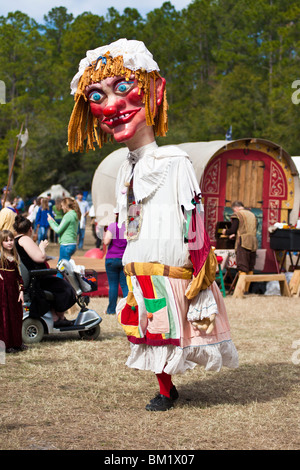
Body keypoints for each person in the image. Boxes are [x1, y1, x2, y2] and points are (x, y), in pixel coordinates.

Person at [68, 38, 238, 411]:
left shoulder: (175, 161)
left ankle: (166, 389)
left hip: (168, 257)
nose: (111, 106)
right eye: (97, 97)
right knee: (150, 326)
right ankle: (165, 387)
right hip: (138, 257)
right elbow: (127, 218)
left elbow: (192, 214)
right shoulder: (123, 166)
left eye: (123, 89)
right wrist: (124, 244)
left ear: (155, 91)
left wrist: (200, 265)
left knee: (170, 324)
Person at [13, 215, 76, 326]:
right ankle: (59, 318)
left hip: (34, 276)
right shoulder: (25, 239)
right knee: (64, 287)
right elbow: (40, 258)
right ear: (30, 229)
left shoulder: (16, 240)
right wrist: (42, 247)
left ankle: (56, 316)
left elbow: (31, 257)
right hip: (37, 279)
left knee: (57, 285)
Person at [0, 230, 26, 353]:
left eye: (11, 240)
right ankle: (7, 344)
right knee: (5, 316)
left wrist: (21, 290)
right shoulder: (0, 256)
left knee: (16, 315)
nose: (10, 243)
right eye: (6, 240)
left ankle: (17, 342)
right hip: (3, 291)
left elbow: (19, 276)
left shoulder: (15, 256)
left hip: (14, 292)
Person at [222, 200, 258, 275]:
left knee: (243, 267)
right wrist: (236, 234)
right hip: (253, 243)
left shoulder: (238, 214)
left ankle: (242, 287)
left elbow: (233, 230)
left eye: (233, 210)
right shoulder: (252, 215)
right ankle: (247, 287)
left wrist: (225, 232)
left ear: (236, 208)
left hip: (243, 242)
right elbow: (250, 228)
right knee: (250, 267)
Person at [47, 197, 81, 275]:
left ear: (66, 206)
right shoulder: (74, 214)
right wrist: (53, 221)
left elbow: (58, 230)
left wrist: (50, 222)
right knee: (64, 267)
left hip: (66, 244)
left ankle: (59, 285)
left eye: (62, 206)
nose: (62, 208)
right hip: (71, 243)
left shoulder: (68, 216)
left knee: (61, 268)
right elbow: (61, 228)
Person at [103, 214, 128, 314]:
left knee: (113, 285)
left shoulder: (113, 226)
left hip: (111, 259)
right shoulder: (130, 227)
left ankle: (111, 310)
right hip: (124, 259)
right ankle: (128, 309)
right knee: (125, 285)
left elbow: (106, 241)